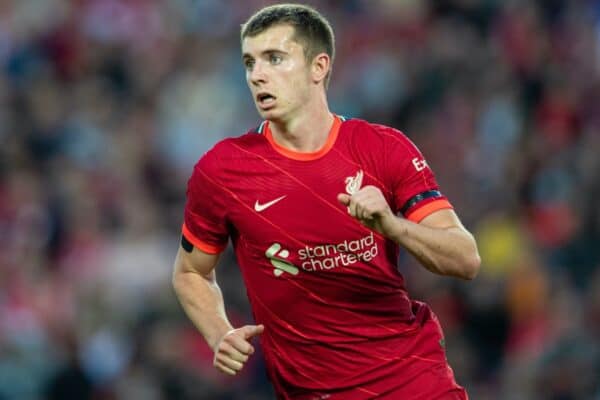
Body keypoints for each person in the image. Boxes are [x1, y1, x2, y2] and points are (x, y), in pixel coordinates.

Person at [172, 3, 481, 399]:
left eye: (275, 59)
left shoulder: (383, 149)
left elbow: (465, 258)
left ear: (318, 67)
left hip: (413, 383)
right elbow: (190, 272)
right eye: (250, 63)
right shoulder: (223, 171)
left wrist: (392, 226)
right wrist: (219, 333)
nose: (257, 75)